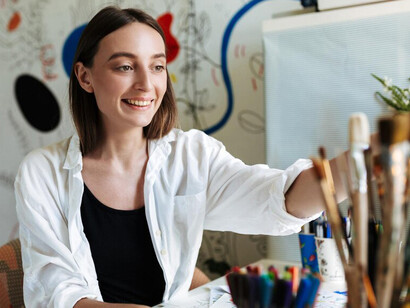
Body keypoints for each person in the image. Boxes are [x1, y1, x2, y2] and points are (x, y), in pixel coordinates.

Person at [14, 5, 347, 308]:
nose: (147, 84)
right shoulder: (41, 173)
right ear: (85, 76)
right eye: (126, 66)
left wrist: (363, 163)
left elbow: (279, 199)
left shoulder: (192, 155)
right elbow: (55, 292)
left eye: (157, 66)